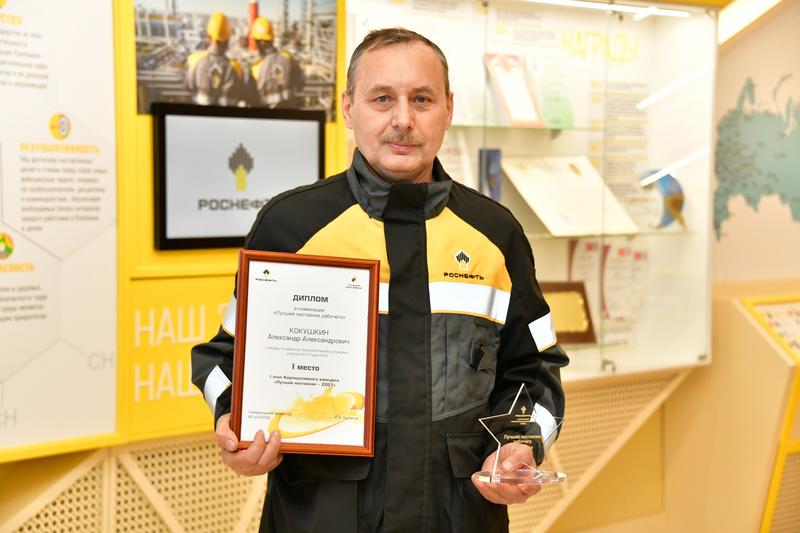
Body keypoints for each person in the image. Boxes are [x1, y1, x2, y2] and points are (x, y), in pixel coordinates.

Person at [191, 28, 568, 532]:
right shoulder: (291, 227)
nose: (403, 120)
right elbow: (224, 360)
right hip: (319, 518)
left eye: (422, 99)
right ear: (349, 108)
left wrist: (519, 443)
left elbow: (535, 368)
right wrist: (234, 424)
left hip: (460, 517)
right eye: (382, 98)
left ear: (448, 109)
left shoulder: (496, 234)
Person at [186, 12, 245, 106]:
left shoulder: (193, 61)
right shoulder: (235, 68)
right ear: (229, 38)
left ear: (209, 37)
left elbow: (187, 88)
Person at [246, 16, 305, 108]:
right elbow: (301, 81)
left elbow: (251, 100)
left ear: (260, 43)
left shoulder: (256, 69)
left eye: (255, 41)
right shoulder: (288, 58)